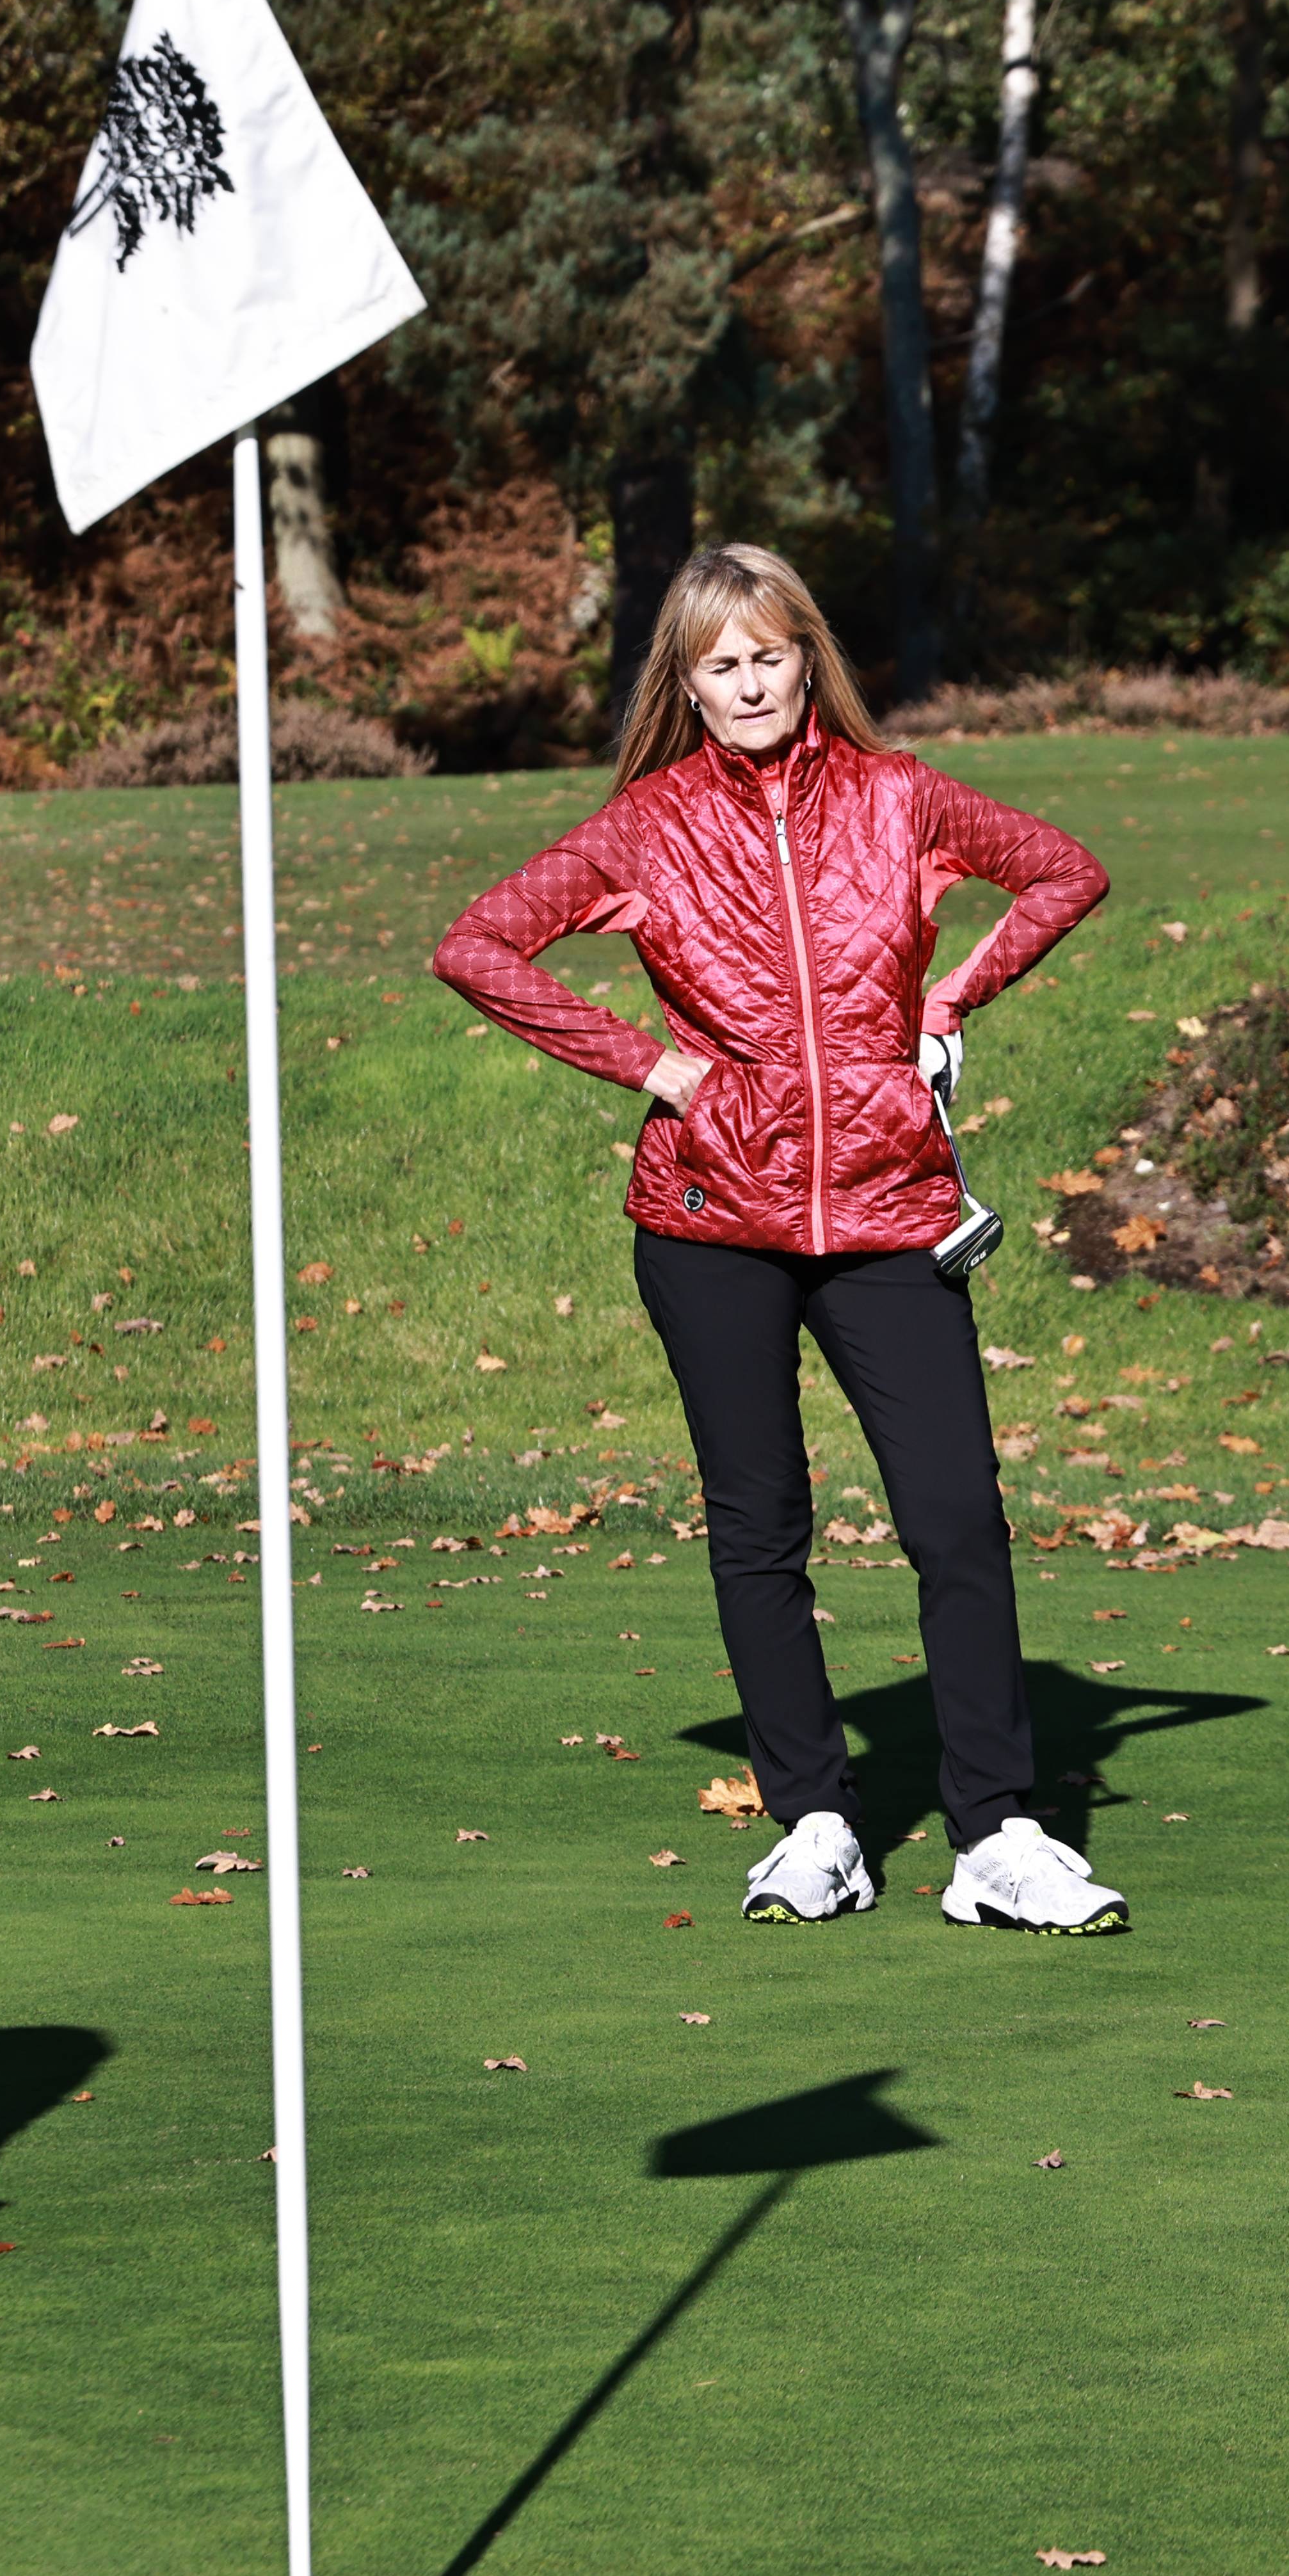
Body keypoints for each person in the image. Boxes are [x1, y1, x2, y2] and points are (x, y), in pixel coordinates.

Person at [433, 545, 1125, 1932]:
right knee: (760, 1531)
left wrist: (952, 1002)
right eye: (718, 664)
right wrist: (652, 1068)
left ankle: (995, 1834)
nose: (747, 683)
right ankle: (816, 1822)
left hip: (889, 1212)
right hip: (708, 1222)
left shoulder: (898, 796)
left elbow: (1063, 873)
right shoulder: (647, 823)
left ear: (808, 659)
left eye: (768, 656)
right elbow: (478, 946)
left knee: (956, 1521)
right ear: (685, 684)